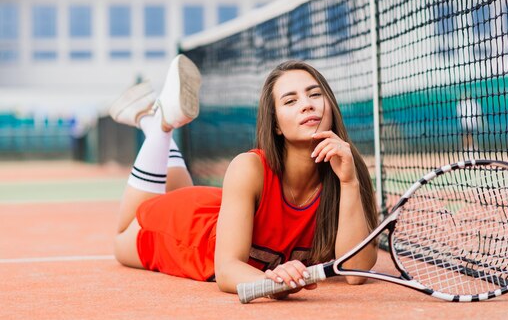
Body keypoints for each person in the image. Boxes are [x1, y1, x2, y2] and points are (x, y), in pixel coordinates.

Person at [109, 55, 379, 297]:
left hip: (222, 213)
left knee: (180, 188)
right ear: (275, 125)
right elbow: (226, 270)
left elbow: (355, 272)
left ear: (330, 105)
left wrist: (349, 181)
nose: (307, 105)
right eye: (291, 100)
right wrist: (273, 282)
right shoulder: (249, 167)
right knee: (122, 240)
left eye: (314, 95)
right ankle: (157, 127)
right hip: (188, 234)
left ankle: (157, 120)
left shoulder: (346, 166)